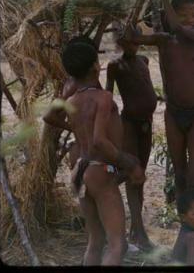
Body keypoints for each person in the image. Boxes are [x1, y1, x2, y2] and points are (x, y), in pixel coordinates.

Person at [61, 39, 146, 265]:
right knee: (117, 245)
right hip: (100, 170)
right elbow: (99, 140)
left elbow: (78, 130)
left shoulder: (71, 100)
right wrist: (129, 163)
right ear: (95, 67)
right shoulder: (103, 97)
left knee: (95, 240)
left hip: (80, 170)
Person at [125, 0, 194, 199]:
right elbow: (132, 37)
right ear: (171, 14)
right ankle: (183, 213)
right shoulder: (164, 40)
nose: (190, 20)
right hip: (174, 112)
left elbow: (179, 29)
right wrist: (134, 11)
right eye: (183, 15)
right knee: (179, 170)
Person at [106, 27, 158, 251]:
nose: (133, 46)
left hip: (146, 123)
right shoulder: (115, 65)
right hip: (129, 124)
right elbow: (108, 94)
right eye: (128, 42)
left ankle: (136, 231)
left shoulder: (144, 60)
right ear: (120, 42)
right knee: (132, 174)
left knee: (140, 175)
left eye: (136, 41)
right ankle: (140, 233)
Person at [43, 36, 103, 170]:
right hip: (85, 150)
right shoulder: (73, 84)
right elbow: (49, 116)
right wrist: (75, 128)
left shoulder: (90, 81)